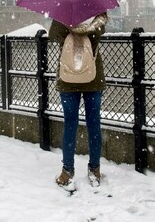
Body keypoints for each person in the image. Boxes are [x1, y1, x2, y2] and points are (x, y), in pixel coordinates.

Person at [49, 12, 108, 190]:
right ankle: (94, 170)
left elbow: (54, 35)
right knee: (94, 123)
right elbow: (98, 36)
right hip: (92, 76)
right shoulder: (97, 13)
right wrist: (87, 29)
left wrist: (70, 31)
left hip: (68, 76)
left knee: (70, 125)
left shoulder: (63, 11)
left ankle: (67, 171)